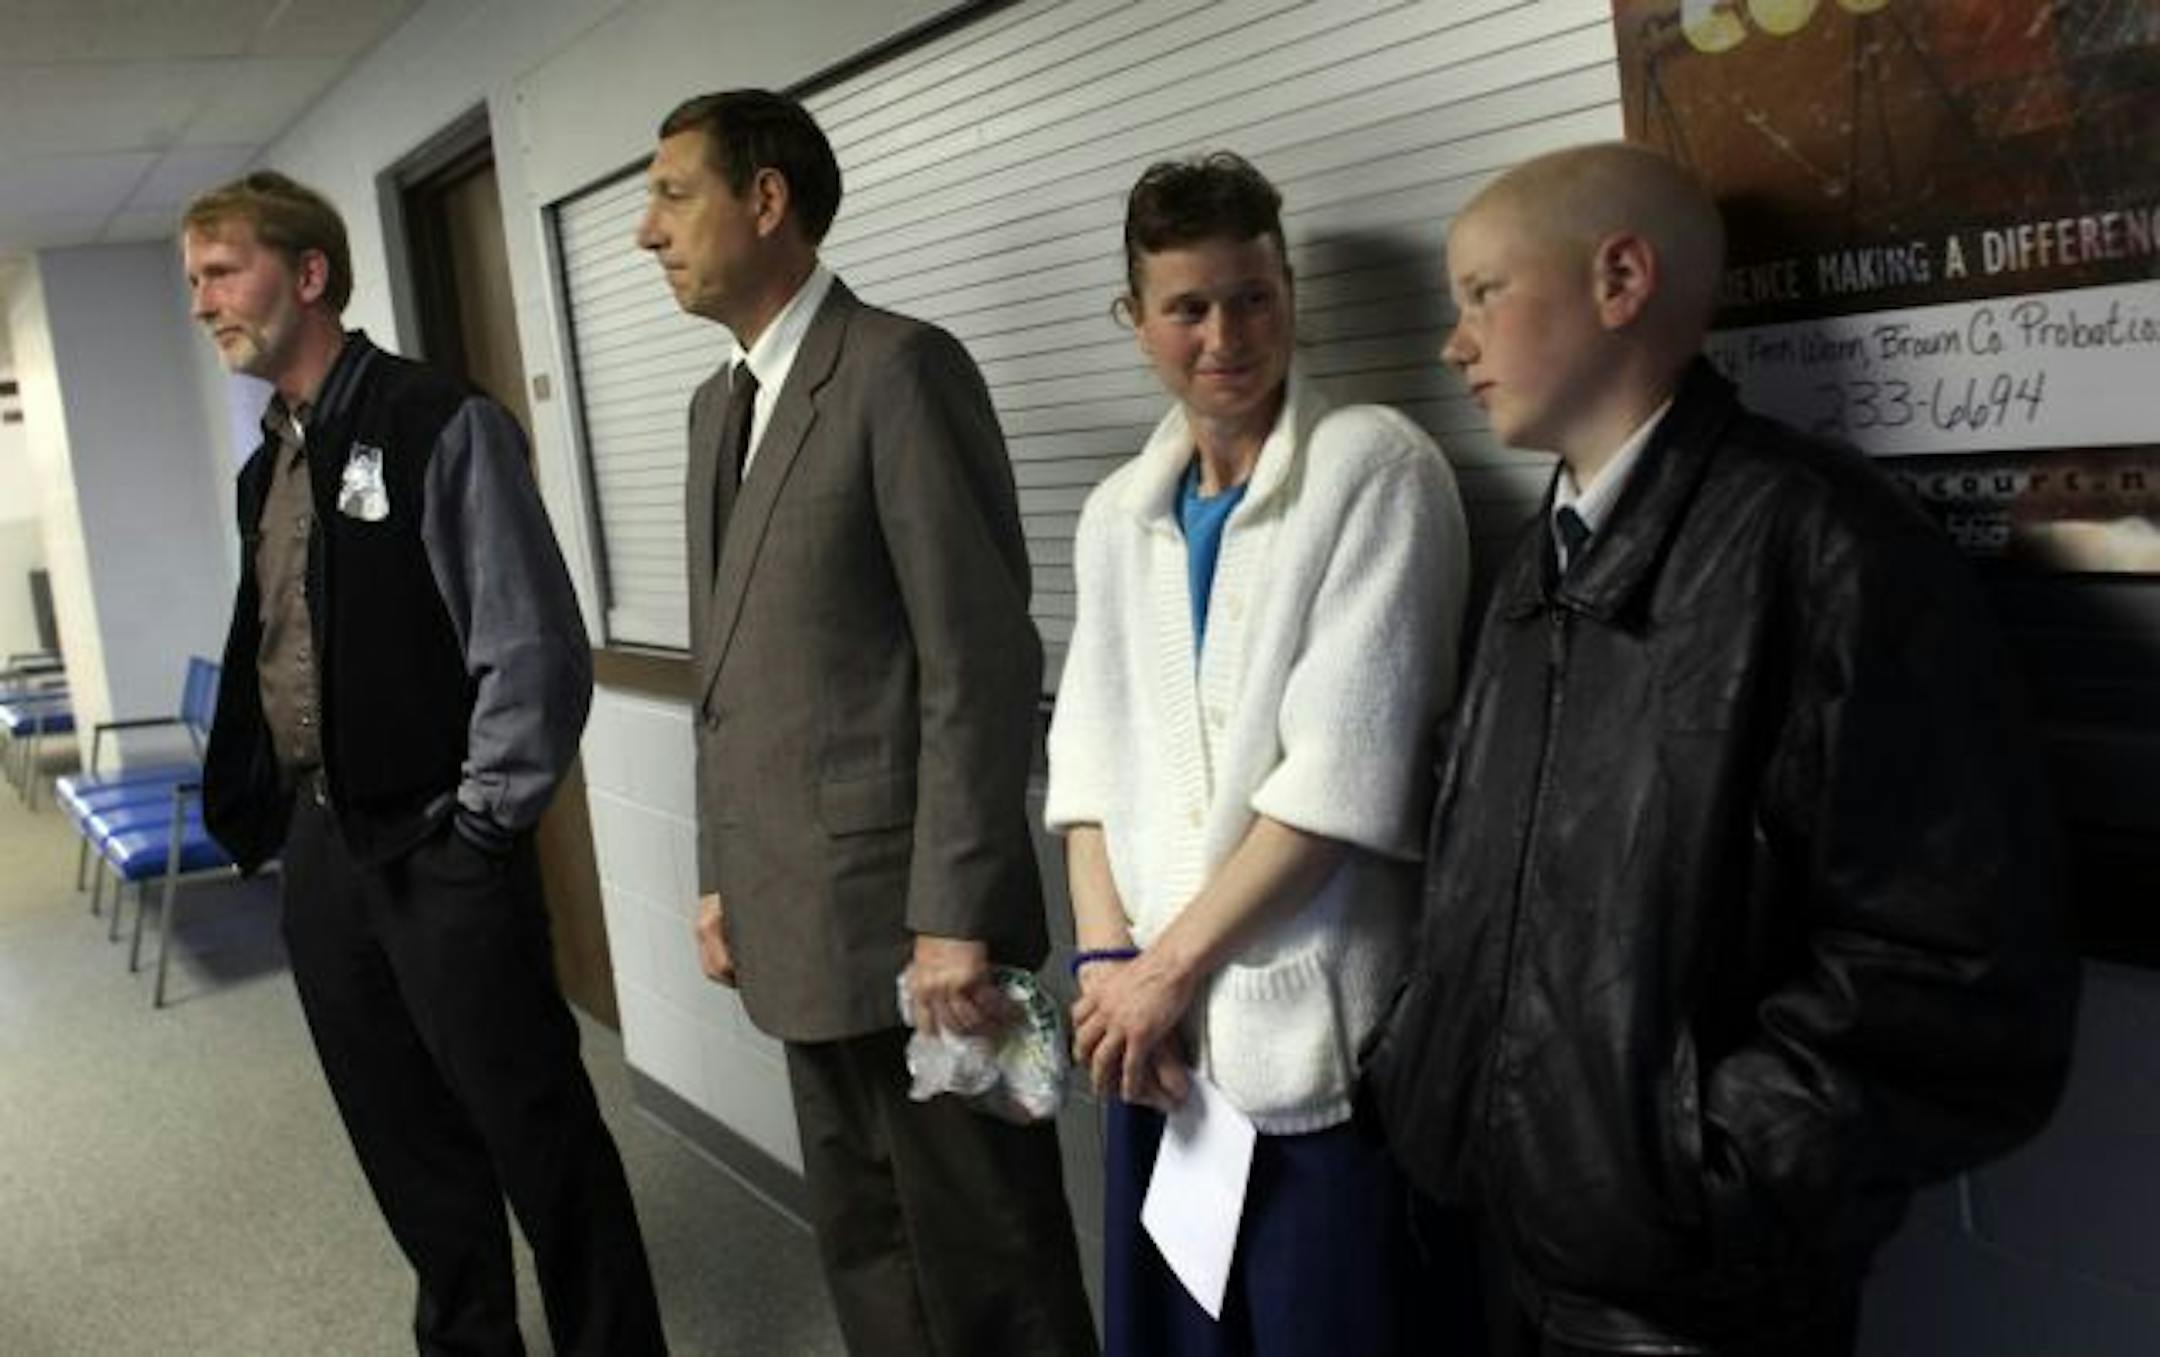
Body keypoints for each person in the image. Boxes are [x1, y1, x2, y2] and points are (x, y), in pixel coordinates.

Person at [1361, 142, 2079, 1356]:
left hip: (1700, 1302)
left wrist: (1703, 1174)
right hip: (1517, 1260)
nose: (1453, 344)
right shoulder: (1537, 565)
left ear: (1620, 279)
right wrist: (1419, 1056)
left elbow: (1952, 972)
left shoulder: (1831, 548)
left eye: (1483, 294)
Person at [636, 89, 1097, 1356]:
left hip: (915, 929)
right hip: (794, 913)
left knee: (989, 1260)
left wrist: (956, 912)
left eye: (672, 194)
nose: (646, 231)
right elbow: (730, 677)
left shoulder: (897, 368)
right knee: (867, 1245)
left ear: (765, 200)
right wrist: (720, 875)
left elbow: (978, 659)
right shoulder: (716, 407)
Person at [183, 172, 665, 1356]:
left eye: (222, 272)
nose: (203, 303)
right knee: (403, 1140)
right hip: (326, 847)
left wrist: (482, 829)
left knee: (539, 1132)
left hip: (440, 844)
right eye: (194, 280)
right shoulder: (268, 464)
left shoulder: (437, 420)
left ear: (309, 274)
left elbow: (530, 646)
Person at [1045, 152, 1474, 1356]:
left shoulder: (1375, 471)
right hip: (1154, 1040)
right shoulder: (1117, 514)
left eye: (1254, 297)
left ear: (1289, 293)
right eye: (1188, 307)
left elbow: (1343, 783)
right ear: (1136, 321)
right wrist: (1108, 965)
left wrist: (1164, 972)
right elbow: (1089, 768)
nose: (1226, 336)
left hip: (1307, 1043)